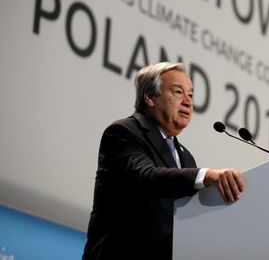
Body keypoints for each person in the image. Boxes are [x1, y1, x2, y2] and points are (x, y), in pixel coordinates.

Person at [82, 62, 245, 260]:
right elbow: (145, 177)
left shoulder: (185, 157)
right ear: (150, 97)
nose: (188, 102)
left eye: (191, 95)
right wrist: (207, 175)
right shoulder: (123, 133)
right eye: (178, 92)